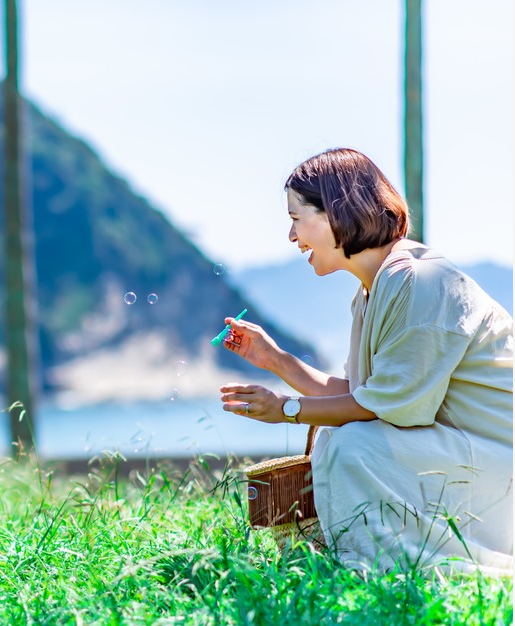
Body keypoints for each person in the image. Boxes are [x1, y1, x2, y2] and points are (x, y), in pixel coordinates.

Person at [218, 148, 512, 575]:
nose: (291, 235)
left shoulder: (418, 281)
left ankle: (379, 567)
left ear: (335, 212)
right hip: (459, 454)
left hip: (495, 464)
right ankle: (372, 557)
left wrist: (285, 410)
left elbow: (388, 408)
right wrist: (275, 359)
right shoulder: (377, 288)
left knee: (348, 442)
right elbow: (364, 396)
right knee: (344, 437)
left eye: (296, 218)